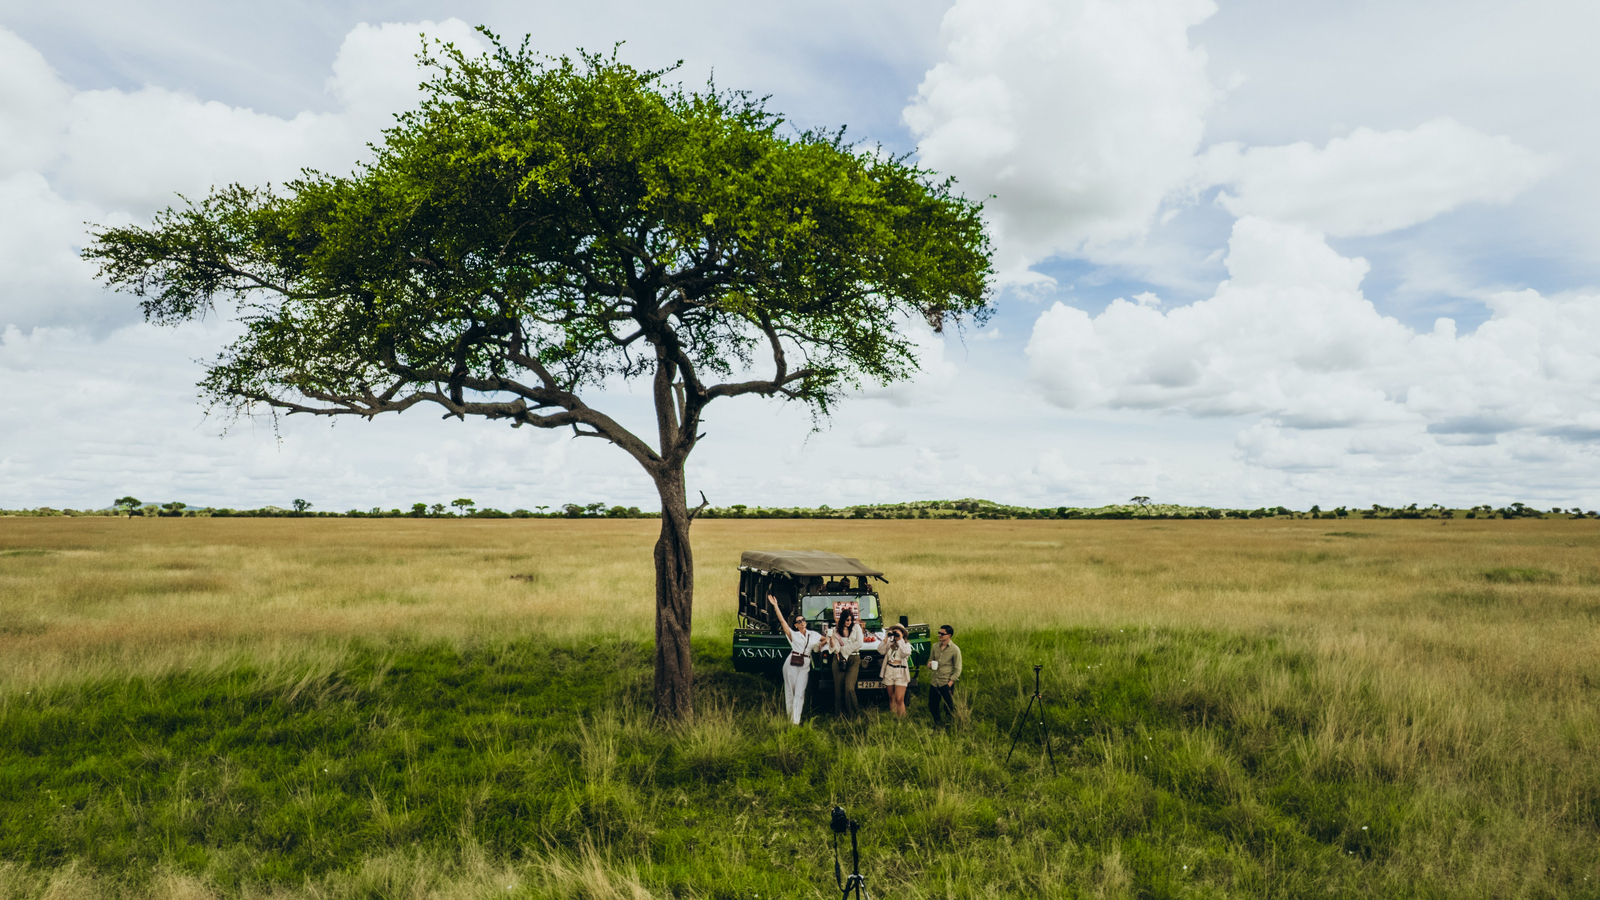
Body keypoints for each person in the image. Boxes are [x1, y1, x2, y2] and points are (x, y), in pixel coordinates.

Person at [769, 593, 820, 725]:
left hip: (805, 664)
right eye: (799, 621)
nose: (802, 622)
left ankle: (796, 720)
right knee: (790, 691)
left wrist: (822, 644)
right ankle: (790, 719)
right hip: (792, 662)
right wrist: (776, 606)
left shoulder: (813, 634)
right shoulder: (793, 635)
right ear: (796, 625)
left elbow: (824, 639)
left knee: (800, 692)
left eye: (803, 620)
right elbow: (782, 621)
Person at [828, 607, 865, 717]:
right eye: (846, 620)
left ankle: (854, 715)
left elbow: (860, 643)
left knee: (849, 688)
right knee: (838, 689)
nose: (848, 622)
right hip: (839, 660)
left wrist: (844, 650)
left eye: (850, 620)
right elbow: (836, 650)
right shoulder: (835, 631)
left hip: (854, 659)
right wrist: (831, 639)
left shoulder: (856, 627)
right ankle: (840, 715)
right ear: (842, 619)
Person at [927, 624, 962, 725]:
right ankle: (937, 722)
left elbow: (958, 668)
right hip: (935, 681)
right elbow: (930, 661)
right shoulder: (935, 647)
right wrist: (929, 665)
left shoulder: (955, 649)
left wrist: (950, 682)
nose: (940, 635)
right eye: (939, 633)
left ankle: (949, 724)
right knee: (932, 705)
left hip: (945, 682)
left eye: (942, 634)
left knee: (948, 706)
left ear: (949, 635)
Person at [881, 622, 912, 717]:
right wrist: (886, 638)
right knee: (891, 697)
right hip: (889, 670)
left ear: (903, 634)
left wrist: (900, 639)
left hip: (900, 671)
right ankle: (893, 717)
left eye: (898, 632)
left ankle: (902, 719)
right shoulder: (890, 643)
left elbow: (906, 653)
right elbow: (880, 650)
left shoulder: (906, 644)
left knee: (899, 699)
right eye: (894, 632)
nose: (896, 634)